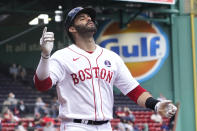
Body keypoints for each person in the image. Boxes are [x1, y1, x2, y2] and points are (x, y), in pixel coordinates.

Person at [34, 6, 177, 131]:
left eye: (89, 17)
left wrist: (156, 105)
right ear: (72, 28)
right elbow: (42, 84)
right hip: (76, 126)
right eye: (82, 18)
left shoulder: (111, 57)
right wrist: (45, 55)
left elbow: (133, 90)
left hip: (105, 126)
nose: (89, 19)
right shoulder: (62, 56)